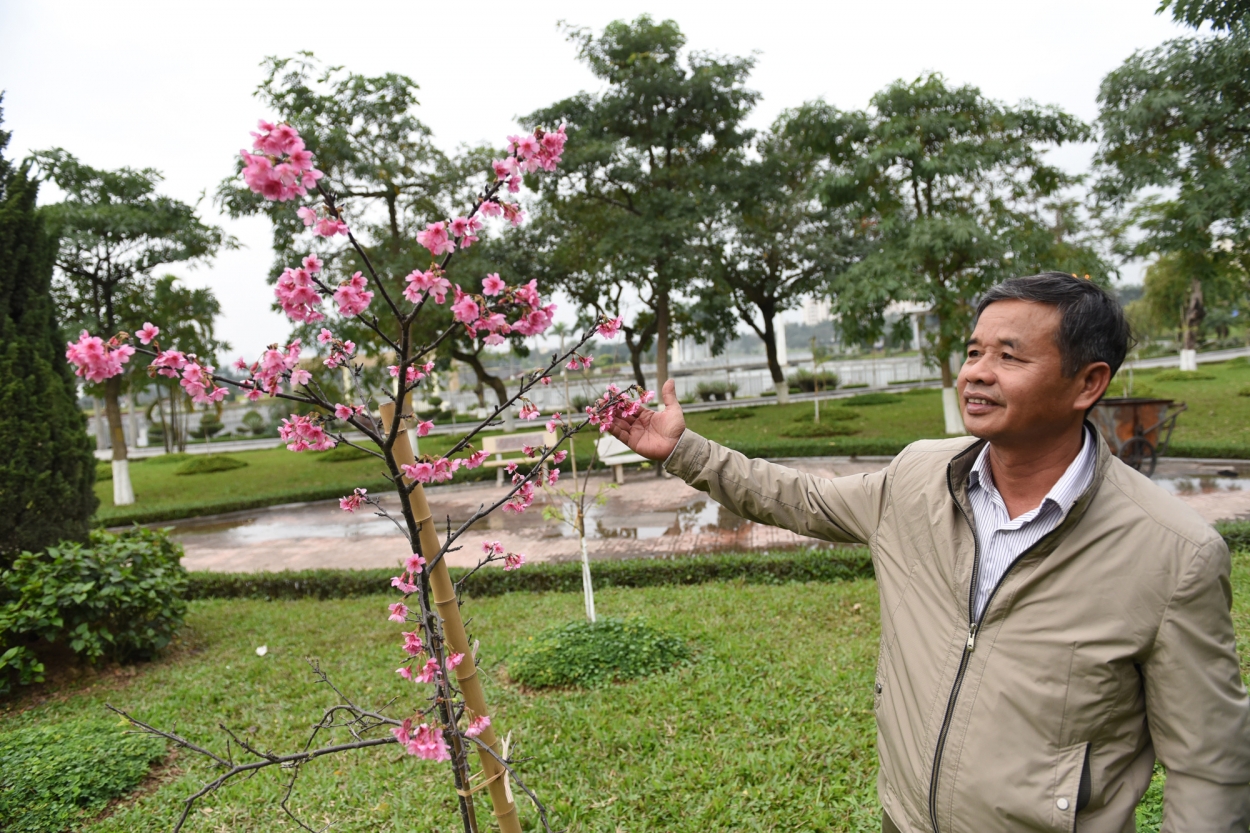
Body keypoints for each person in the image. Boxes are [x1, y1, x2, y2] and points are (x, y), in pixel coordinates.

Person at [609, 273, 1250, 832]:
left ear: (1088, 383)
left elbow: (1209, 766)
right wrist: (683, 451)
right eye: (974, 350)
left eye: (1009, 355)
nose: (975, 371)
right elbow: (802, 499)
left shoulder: (1173, 553)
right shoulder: (919, 477)